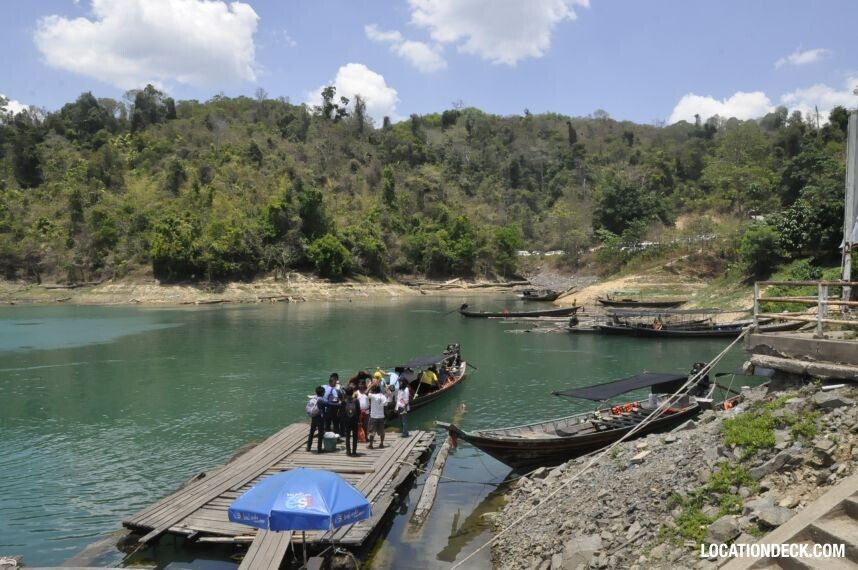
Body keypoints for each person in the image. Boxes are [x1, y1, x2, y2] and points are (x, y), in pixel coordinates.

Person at [307, 386, 340, 452]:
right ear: (322, 393)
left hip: (314, 417)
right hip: (320, 419)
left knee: (311, 433)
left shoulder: (314, 398)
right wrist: (339, 404)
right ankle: (319, 449)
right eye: (324, 392)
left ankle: (308, 447)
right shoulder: (321, 400)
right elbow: (330, 405)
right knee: (320, 433)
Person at [341, 386, 361, 456]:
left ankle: (348, 451)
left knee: (347, 436)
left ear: (346, 393)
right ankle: (354, 452)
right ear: (353, 392)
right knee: (355, 436)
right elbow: (359, 411)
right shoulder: (356, 400)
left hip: (347, 421)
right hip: (354, 420)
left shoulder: (344, 401)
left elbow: (342, 412)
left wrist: (343, 421)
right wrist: (359, 420)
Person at [368, 384, 388, 449]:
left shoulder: (372, 396)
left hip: (373, 416)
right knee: (382, 431)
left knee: (372, 432)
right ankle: (381, 444)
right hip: (381, 416)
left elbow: (366, 393)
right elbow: (386, 403)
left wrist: (370, 386)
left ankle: (371, 445)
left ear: (373, 390)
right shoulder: (383, 396)